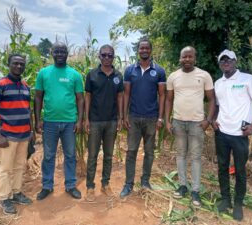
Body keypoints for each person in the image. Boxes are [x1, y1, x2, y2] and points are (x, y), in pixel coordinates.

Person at [213, 49, 252, 221]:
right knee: (222, 167)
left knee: (240, 170)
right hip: (222, 132)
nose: (225, 63)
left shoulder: (247, 79)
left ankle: (237, 204)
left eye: (229, 60)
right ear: (220, 63)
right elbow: (218, 105)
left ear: (235, 61)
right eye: (222, 60)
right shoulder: (218, 83)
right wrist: (213, 119)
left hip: (240, 134)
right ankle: (226, 200)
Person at [165, 46, 215, 207]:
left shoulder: (204, 75)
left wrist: (208, 120)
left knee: (195, 157)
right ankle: (182, 186)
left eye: (190, 56)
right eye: (184, 57)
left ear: (195, 58)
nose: (187, 59)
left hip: (197, 123)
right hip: (178, 122)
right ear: (180, 58)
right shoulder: (173, 76)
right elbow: (168, 100)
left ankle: (195, 190)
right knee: (180, 155)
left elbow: (212, 100)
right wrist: (167, 120)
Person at [34, 42, 84, 200]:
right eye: (57, 51)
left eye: (63, 51)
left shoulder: (74, 74)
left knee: (70, 155)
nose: (60, 54)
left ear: (67, 53)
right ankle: (47, 186)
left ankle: (70, 185)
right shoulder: (44, 73)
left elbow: (80, 99)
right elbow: (38, 97)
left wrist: (80, 120)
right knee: (49, 155)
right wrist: (37, 120)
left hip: (70, 122)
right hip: (49, 122)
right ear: (52, 53)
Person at [0, 54, 33, 214]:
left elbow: (28, 110)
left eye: (22, 64)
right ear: (8, 64)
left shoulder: (26, 86)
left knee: (20, 166)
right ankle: (4, 198)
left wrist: (31, 131)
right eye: (15, 63)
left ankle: (16, 192)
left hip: (24, 134)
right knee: (6, 168)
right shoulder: (0, 84)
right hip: (8, 135)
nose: (19, 67)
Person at [120, 38, 166, 197]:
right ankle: (128, 183)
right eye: (141, 48)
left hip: (152, 118)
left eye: (147, 48)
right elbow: (126, 94)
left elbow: (162, 96)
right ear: (138, 51)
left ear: (150, 51)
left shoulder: (159, 71)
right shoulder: (129, 70)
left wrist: (160, 118)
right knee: (131, 151)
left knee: (149, 152)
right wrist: (124, 115)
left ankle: (145, 181)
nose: (144, 50)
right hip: (133, 117)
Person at [84, 44, 123, 201]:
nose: (107, 58)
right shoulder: (92, 75)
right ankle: (90, 187)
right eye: (104, 55)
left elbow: (120, 97)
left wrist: (120, 117)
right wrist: (86, 118)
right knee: (92, 155)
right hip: (95, 121)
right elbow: (88, 96)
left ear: (113, 57)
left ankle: (105, 184)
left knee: (108, 155)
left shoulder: (118, 76)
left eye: (110, 55)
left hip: (111, 121)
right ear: (99, 56)